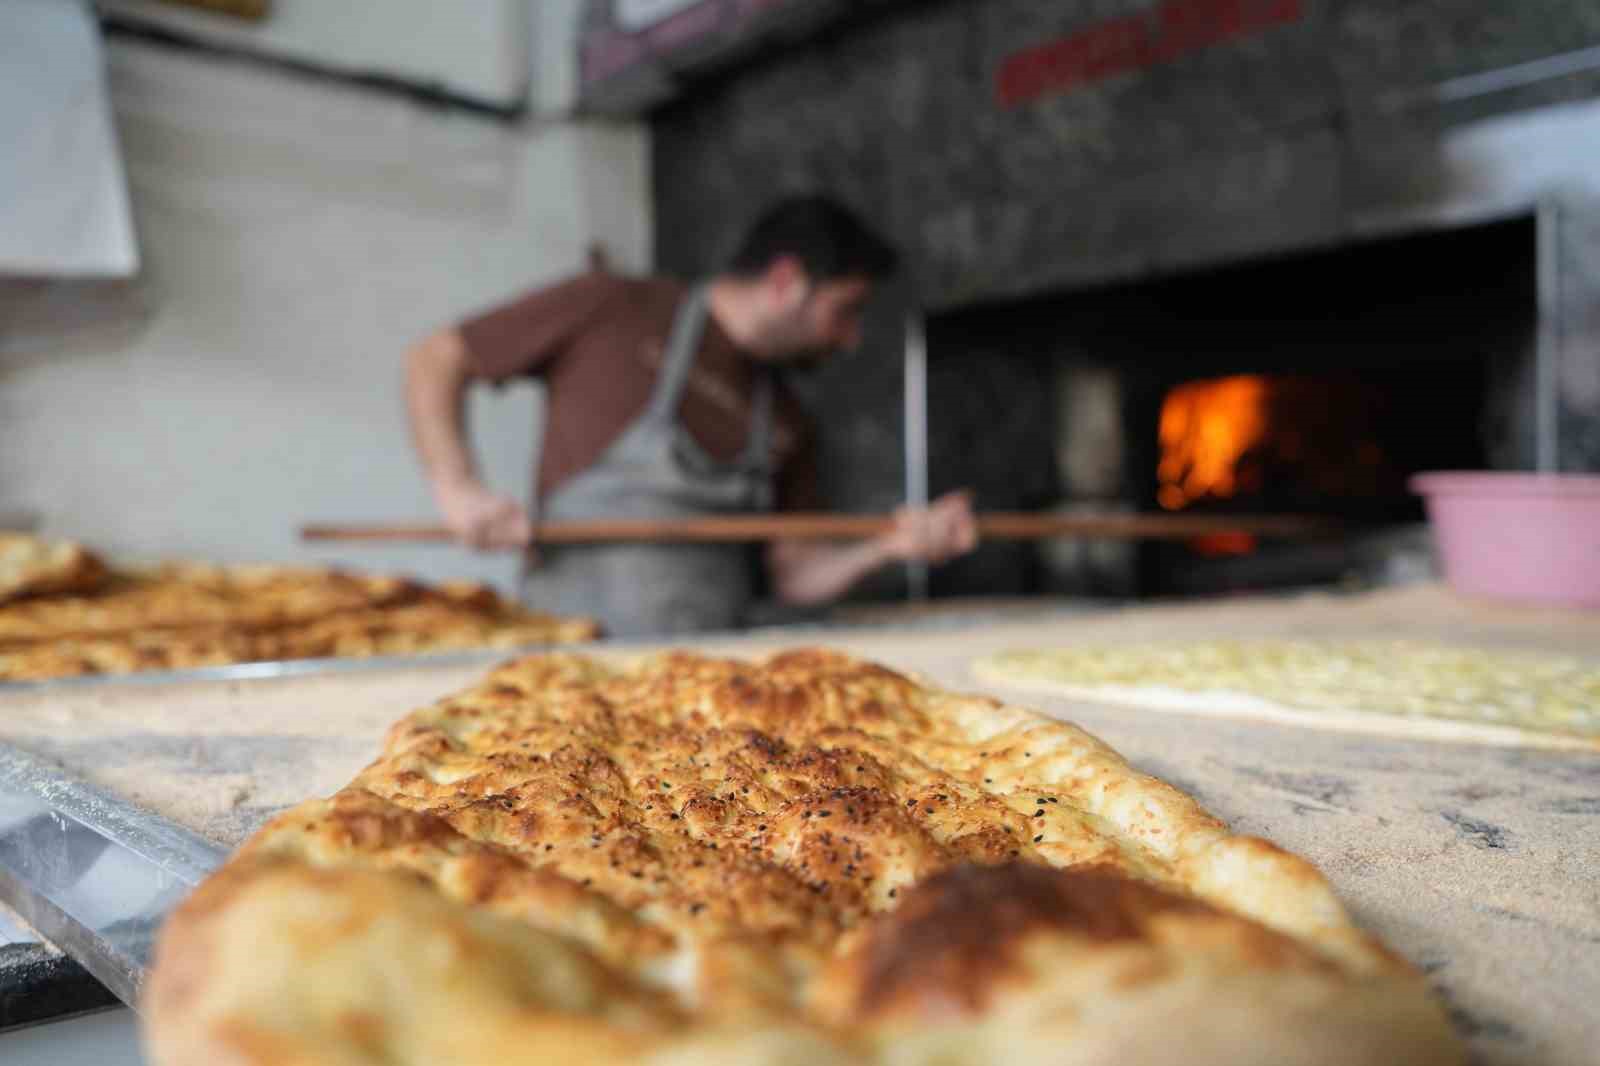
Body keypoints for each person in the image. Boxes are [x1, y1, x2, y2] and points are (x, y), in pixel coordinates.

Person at [405, 195, 977, 636]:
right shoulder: (614, 306)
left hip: (706, 684)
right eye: (845, 311)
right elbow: (437, 358)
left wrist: (889, 547)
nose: (851, 338)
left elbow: (796, 574)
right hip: (568, 665)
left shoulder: (787, 417)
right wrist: (459, 490)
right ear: (785, 282)